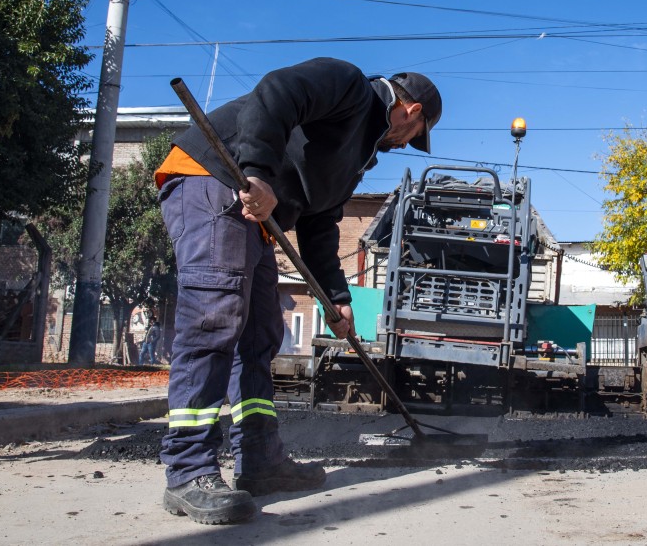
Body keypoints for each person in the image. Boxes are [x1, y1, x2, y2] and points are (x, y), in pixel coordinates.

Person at [153, 57, 442, 524]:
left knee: (259, 335)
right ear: (412, 111)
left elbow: (320, 221)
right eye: (416, 134)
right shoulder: (349, 87)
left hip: (258, 218)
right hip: (214, 179)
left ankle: (259, 459)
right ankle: (188, 470)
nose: (406, 144)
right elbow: (275, 92)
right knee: (215, 317)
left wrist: (338, 300)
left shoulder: (358, 153)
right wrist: (260, 172)